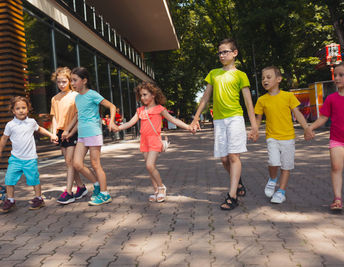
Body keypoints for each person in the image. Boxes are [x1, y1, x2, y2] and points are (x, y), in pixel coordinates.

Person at [191, 38, 258, 210]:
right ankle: (239, 183)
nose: (222, 55)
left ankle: (232, 196)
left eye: (225, 51)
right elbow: (205, 97)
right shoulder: (214, 73)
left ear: (234, 53)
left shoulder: (241, 75)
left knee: (234, 156)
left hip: (235, 118)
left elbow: (248, 102)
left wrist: (254, 126)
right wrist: (196, 117)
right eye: (220, 52)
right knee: (223, 158)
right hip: (219, 120)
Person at [116, 81, 193, 202]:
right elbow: (130, 122)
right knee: (149, 168)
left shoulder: (159, 109)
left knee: (149, 165)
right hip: (144, 141)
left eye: (145, 94)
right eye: (141, 95)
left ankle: (162, 187)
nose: (142, 97)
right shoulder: (140, 110)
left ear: (153, 95)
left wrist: (188, 127)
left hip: (154, 140)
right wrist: (118, 128)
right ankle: (156, 190)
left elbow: (173, 119)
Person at [63, 67, 118, 206]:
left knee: (95, 164)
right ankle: (97, 184)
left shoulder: (92, 94)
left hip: (93, 133)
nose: (72, 83)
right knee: (77, 164)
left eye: (75, 80)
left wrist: (111, 122)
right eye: (71, 81)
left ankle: (105, 194)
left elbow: (111, 106)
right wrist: (69, 132)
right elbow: (78, 116)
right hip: (82, 135)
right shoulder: (77, 97)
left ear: (84, 80)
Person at [254, 66, 308, 204]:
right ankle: (272, 179)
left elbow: (297, 113)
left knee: (286, 166)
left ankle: (281, 192)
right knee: (273, 162)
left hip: (288, 138)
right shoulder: (262, 100)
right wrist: (254, 130)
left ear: (278, 79)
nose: (265, 80)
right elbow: (258, 118)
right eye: (263, 78)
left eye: (268, 77)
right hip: (272, 137)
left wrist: (307, 128)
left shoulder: (288, 96)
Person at [0, 96, 57, 213]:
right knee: (9, 179)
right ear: (13, 111)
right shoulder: (10, 125)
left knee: (34, 179)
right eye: (18, 108)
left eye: (23, 108)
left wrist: (51, 135)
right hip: (15, 159)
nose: (21, 110)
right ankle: (11, 200)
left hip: (30, 158)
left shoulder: (31, 122)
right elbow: (3, 139)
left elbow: (40, 129)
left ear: (28, 109)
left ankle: (39, 199)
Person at [305, 62, 344, 211]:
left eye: (342, 75)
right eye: (336, 75)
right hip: (337, 139)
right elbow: (323, 118)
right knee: (336, 167)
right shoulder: (331, 99)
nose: (338, 78)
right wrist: (310, 127)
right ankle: (337, 199)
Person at [50, 67, 86, 205]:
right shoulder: (55, 98)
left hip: (71, 131)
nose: (61, 85)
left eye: (64, 81)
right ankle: (81, 187)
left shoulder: (75, 96)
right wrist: (53, 133)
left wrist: (69, 130)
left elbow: (78, 115)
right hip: (60, 132)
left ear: (69, 81)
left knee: (70, 162)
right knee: (68, 162)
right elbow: (54, 117)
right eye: (59, 82)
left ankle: (69, 192)